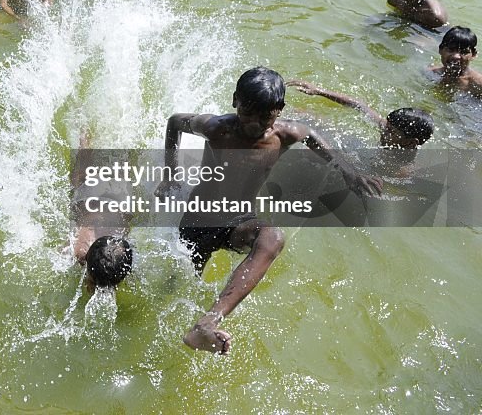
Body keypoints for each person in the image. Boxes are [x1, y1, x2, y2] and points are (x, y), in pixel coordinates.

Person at [157, 67, 380, 355]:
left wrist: (349, 171)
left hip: (239, 221)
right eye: (248, 113)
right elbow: (175, 122)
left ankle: (207, 324)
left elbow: (310, 134)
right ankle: (181, 327)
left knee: (272, 237)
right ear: (235, 101)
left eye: (265, 116)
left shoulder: (284, 135)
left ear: (279, 111)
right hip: (200, 219)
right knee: (181, 282)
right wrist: (169, 174)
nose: (254, 123)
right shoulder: (218, 128)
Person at [286, 79, 435, 150]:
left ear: (411, 143)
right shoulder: (391, 130)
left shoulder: (401, 169)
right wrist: (318, 91)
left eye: (390, 130)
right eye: (386, 125)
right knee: (306, 115)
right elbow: (358, 105)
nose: (383, 129)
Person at [70, 145, 133, 291]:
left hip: (120, 201)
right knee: (79, 178)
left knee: (124, 172)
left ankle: (86, 141)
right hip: (90, 199)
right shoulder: (82, 252)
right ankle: (85, 140)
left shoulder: (83, 253)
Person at [430, 26, 482, 97]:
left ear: (473, 55)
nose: (456, 56)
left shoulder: (478, 84)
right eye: (451, 50)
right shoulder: (431, 72)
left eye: (463, 52)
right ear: (440, 50)